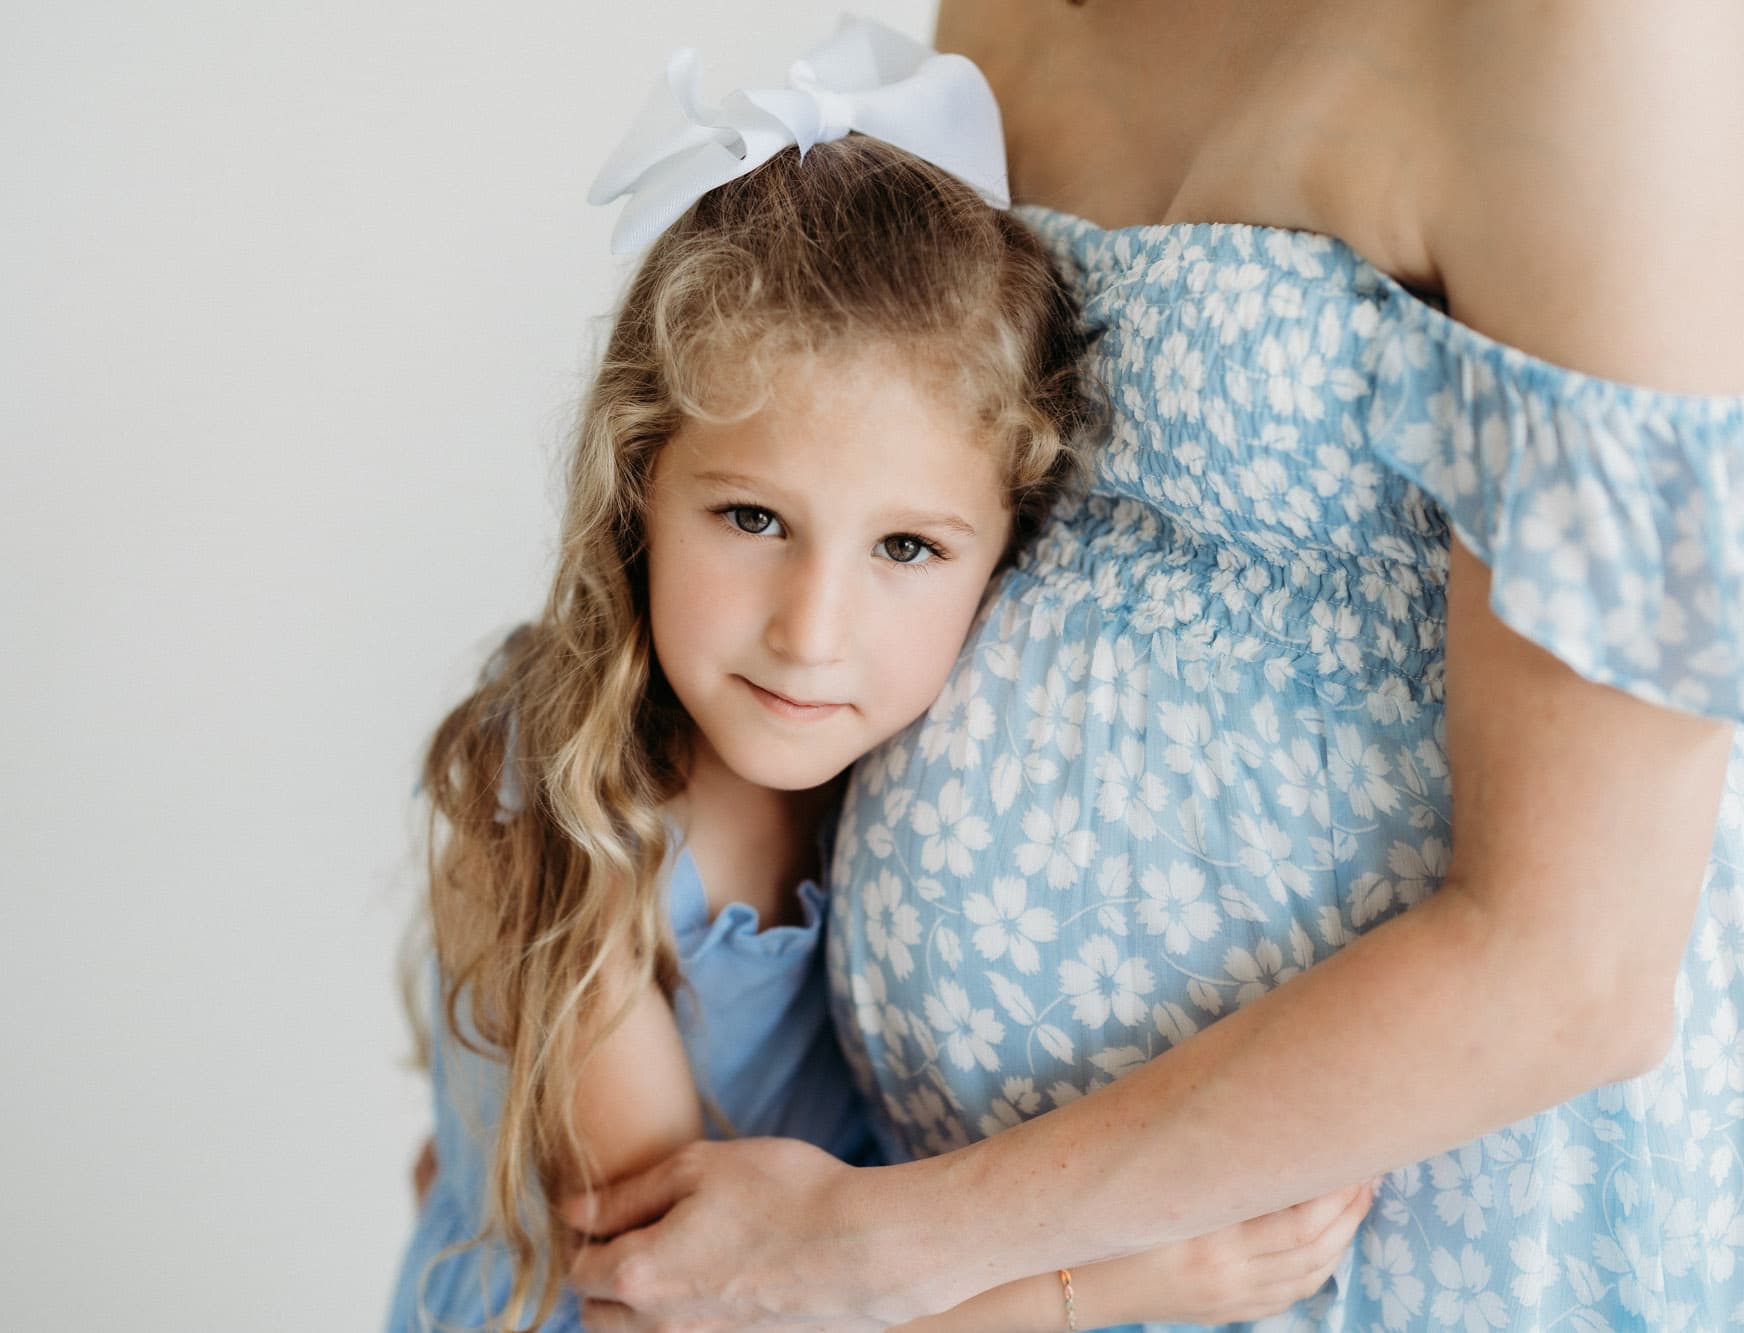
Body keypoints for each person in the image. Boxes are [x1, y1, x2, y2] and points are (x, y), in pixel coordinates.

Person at [566, 2, 1744, 1329]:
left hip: (1418, 1229)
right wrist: (558, 1004)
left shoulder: (1602, 25)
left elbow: (1575, 973)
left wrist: (893, 1245)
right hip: (987, 1234)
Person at [387, 24, 1377, 1332]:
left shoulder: (910, 767)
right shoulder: (580, 831)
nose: (812, 629)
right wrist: (1128, 1277)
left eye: (906, 546)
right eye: (750, 519)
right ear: (638, 483)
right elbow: (677, 1310)